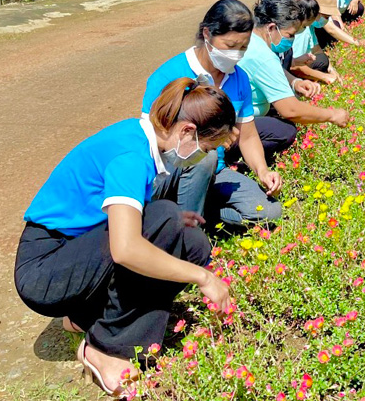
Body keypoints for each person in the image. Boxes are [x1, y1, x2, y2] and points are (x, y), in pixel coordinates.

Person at [15, 79, 237, 397]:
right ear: (187, 131)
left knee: (192, 242)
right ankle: (107, 350)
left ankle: (84, 316)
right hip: (45, 268)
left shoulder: (140, 138)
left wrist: (172, 223)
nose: (203, 158)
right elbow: (125, 249)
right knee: (164, 221)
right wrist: (203, 278)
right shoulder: (131, 155)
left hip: (76, 252)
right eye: (205, 149)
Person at [141, 0, 283, 229]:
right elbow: (148, 140)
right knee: (206, 156)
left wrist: (263, 170)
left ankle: (198, 213)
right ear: (207, 34)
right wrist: (204, 140)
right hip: (170, 174)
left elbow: (247, 136)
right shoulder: (169, 75)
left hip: (215, 174)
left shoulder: (239, 79)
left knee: (270, 213)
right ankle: (186, 233)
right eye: (230, 46)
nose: (237, 54)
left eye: (243, 48)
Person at [240, 0, 351, 133]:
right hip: (239, 123)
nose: (292, 40)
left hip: (237, 113)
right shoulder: (263, 56)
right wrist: (333, 115)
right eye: (290, 35)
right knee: (285, 131)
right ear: (271, 28)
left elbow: (274, 70)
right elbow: (290, 110)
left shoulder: (251, 38)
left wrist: (295, 82)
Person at [289, 0, 338, 84]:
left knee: (323, 59)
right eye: (326, 16)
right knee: (322, 61)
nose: (325, 20)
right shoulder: (300, 30)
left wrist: (331, 70)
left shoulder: (308, 25)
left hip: (298, 64)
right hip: (292, 69)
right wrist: (325, 77)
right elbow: (293, 66)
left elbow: (316, 49)